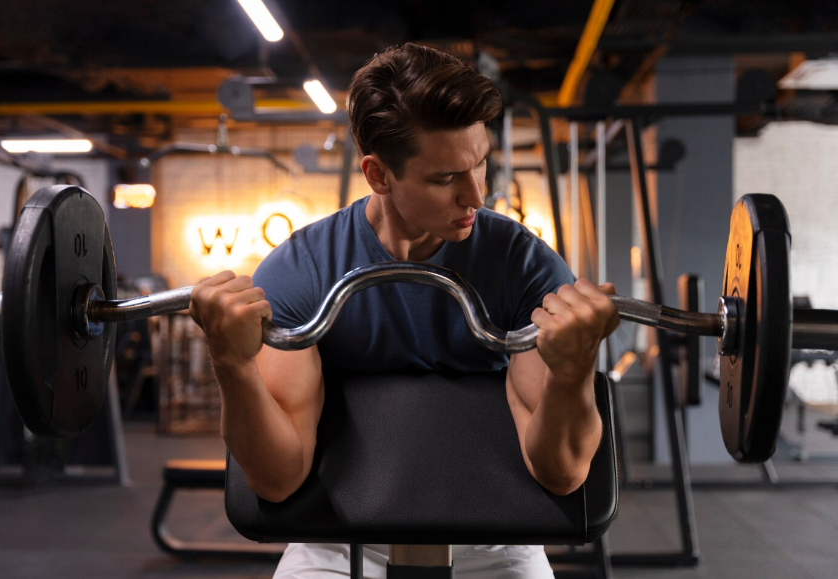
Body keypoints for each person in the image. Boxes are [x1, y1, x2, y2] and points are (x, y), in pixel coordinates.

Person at [190, 43, 619, 579]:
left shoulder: (523, 265)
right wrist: (231, 364)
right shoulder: (302, 272)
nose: (476, 195)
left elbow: (562, 474)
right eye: (445, 178)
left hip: (497, 537)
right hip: (338, 539)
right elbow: (278, 479)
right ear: (378, 175)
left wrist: (574, 370)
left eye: (481, 164)